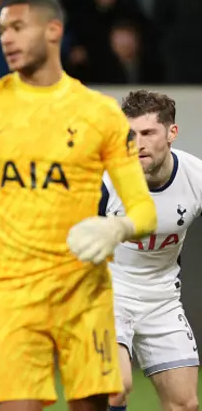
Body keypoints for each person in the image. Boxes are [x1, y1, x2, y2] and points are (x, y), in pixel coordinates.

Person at [0, 0, 157, 411]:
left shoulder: (100, 114)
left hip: (83, 292)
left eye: (18, 28)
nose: (7, 39)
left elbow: (143, 209)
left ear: (53, 30)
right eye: (1, 31)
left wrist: (116, 226)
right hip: (9, 293)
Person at [101, 90, 201, 411]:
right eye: (130, 134)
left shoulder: (195, 177)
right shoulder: (104, 180)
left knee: (184, 403)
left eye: (148, 133)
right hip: (107, 292)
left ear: (172, 132)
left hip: (162, 299)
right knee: (115, 388)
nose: (138, 143)